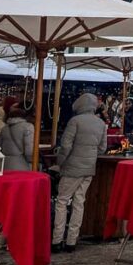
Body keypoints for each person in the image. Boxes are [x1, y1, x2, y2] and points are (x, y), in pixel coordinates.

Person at [52, 93, 107, 253]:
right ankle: (72, 241)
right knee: (79, 202)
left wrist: (59, 163)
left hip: (71, 168)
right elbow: (102, 149)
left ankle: (56, 240)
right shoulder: (100, 123)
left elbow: (66, 146)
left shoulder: (74, 121)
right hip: (89, 169)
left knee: (62, 201)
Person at [0, 103, 34, 171]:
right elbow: (29, 150)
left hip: (5, 165)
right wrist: (32, 161)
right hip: (22, 165)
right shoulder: (28, 127)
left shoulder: (4, 128)